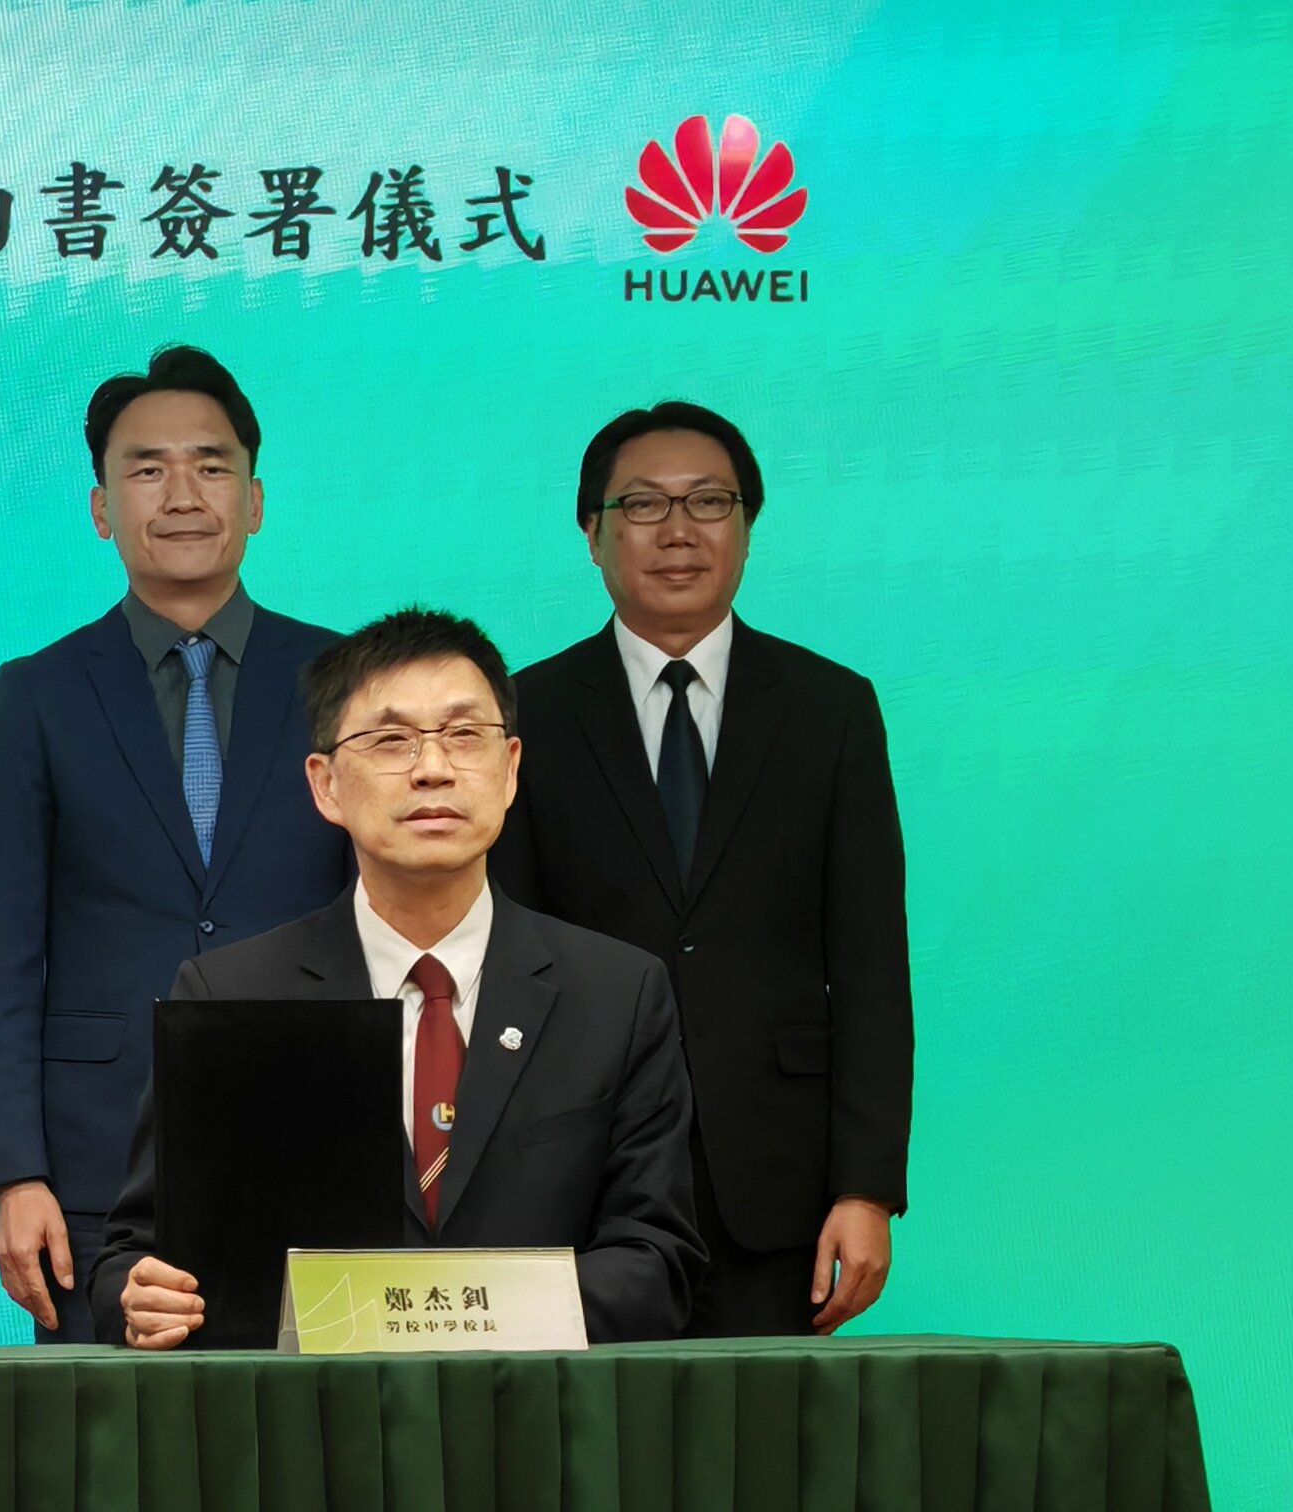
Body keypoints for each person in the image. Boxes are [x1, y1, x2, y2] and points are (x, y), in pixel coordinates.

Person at [94, 608, 704, 1348]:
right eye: (391, 740)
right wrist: (140, 1299)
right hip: (312, 1412)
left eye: (464, 735)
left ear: (510, 769)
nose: (433, 768)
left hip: (541, 1410)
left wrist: (460, 1317)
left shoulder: (617, 994)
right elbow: (134, 1255)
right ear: (325, 785)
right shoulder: (230, 993)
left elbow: (657, 1261)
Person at [488, 401, 913, 1336]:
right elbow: (509, 957)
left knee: (767, 1431)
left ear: (748, 526)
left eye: (709, 502)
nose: (678, 531)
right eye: (643, 505)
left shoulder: (830, 709)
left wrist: (868, 1188)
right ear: (592, 533)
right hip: (583, 1177)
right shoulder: (525, 713)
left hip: (781, 1185)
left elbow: (873, 964)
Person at [0, 345, 348, 1338]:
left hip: (318, 1128)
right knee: (104, 1429)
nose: (181, 495)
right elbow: (1, 950)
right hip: (97, 1166)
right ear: (101, 508)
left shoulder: (344, 679)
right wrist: (17, 1171)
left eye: (210, 466)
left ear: (254, 501)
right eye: (147, 469)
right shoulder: (37, 692)